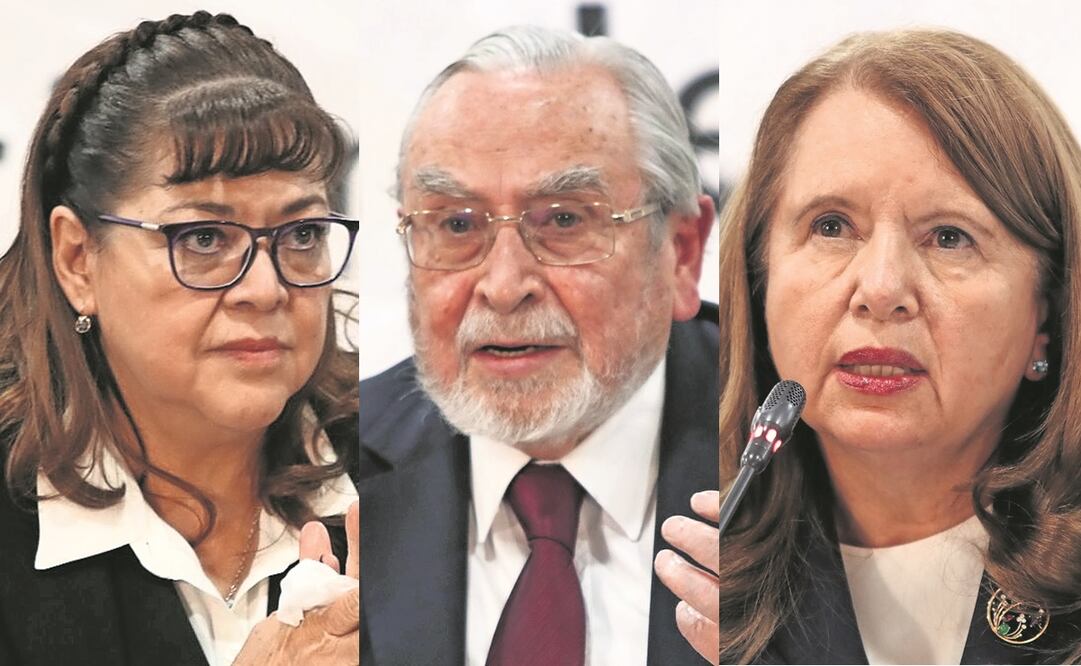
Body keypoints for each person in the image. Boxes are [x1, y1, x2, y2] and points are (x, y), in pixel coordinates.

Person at [0, 12, 361, 666]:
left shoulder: (413, 473)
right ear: (77, 260)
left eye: (302, 233)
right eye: (203, 238)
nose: (265, 289)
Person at [718, 29, 1081, 664]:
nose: (881, 290)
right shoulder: (690, 572)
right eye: (832, 226)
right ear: (758, 279)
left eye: (949, 237)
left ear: (1046, 312)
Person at [358, 25, 718, 665]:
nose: (503, 287)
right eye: (456, 224)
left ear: (682, 254)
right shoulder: (334, 467)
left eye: (564, 220)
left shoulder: (793, 460)